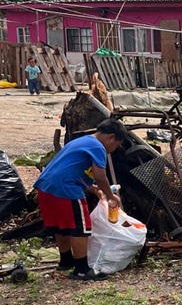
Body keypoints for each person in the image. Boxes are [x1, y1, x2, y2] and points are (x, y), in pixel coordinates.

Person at [34, 118, 127, 281]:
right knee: (81, 227)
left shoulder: (83, 141)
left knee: (61, 225)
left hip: (46, 186)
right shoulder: (99, 147)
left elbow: (71, 168)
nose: (113, 150)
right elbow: (100, 175)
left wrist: (92, 188)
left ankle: (65, 260)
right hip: (66, 188)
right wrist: (110, 195)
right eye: (116, 145)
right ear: (111, 137)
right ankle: (82, 269)